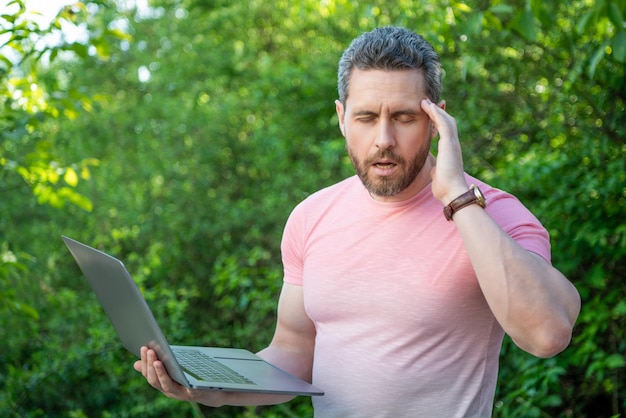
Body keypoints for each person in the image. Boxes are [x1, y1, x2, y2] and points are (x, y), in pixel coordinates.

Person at [134, 26, 581, 417]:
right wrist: (212, 387)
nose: (383, 140)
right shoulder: (311, 217)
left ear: (437, 122)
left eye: (404, 118)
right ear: (342, 118)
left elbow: (546, 334)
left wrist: (458, 198)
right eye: (366, 117)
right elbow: (294, 352)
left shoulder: (489, 212)